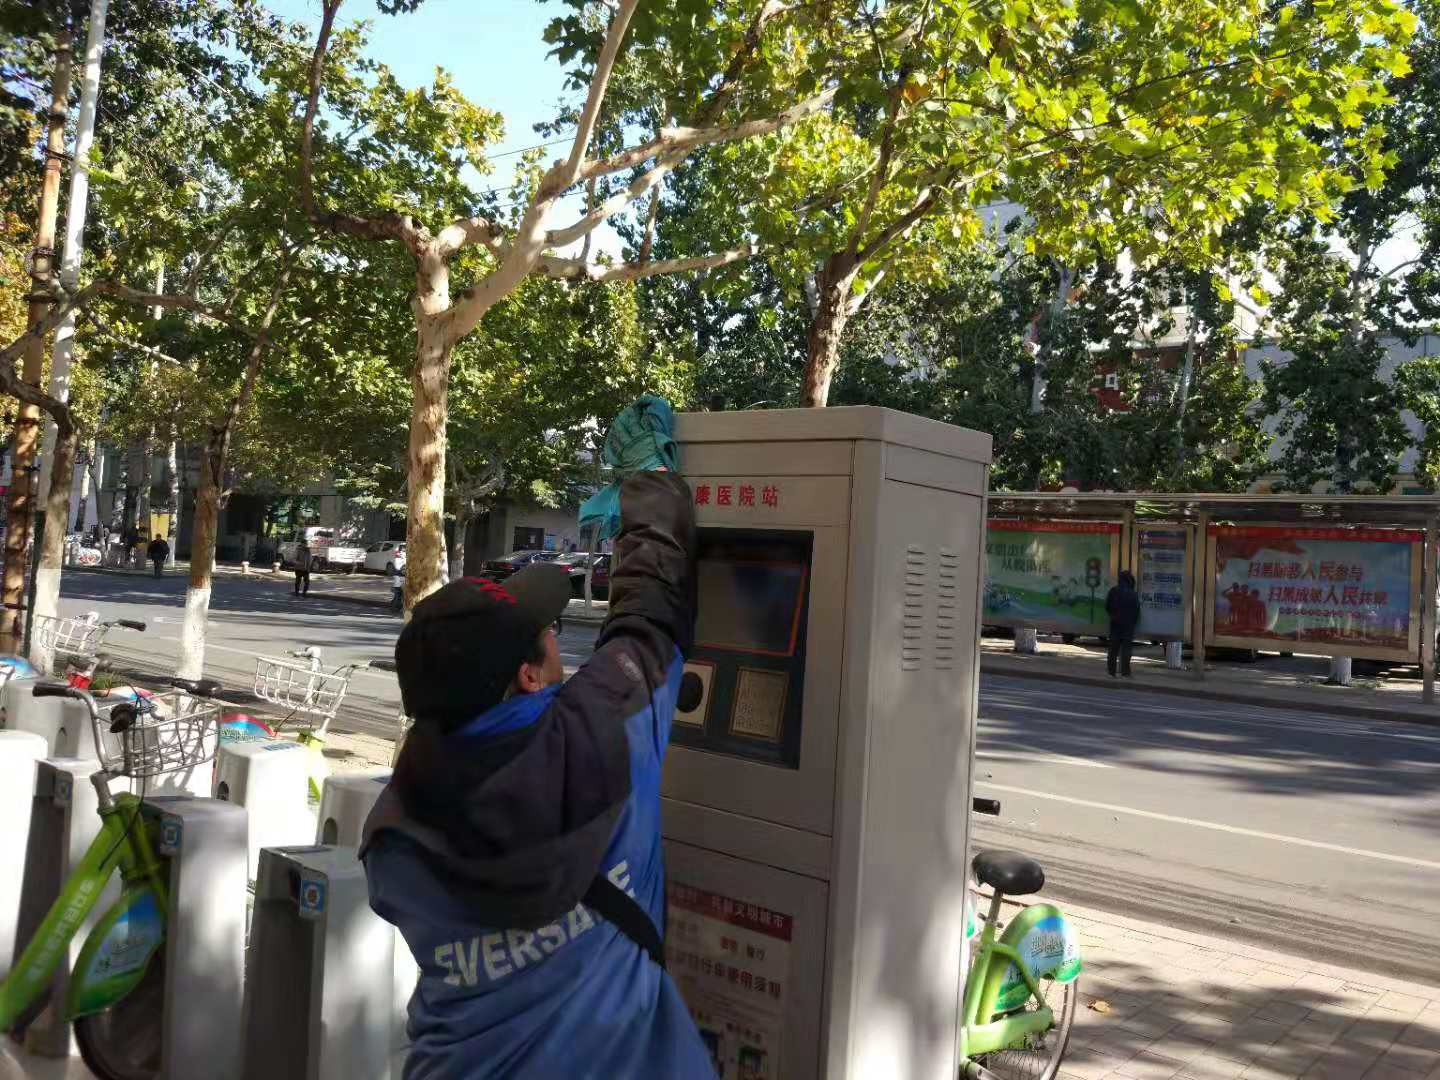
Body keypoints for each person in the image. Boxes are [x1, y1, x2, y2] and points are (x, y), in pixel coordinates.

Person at [361, 469, 716, 1079]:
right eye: (546, 631)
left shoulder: (392, 831)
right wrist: (655, 487)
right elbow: (649, 621)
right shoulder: (601, 738)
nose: (555, 635)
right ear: (529, 674)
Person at [1104, 569, 1141, 678]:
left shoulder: (1113, 591)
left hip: (1115, 623)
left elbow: (1107, 606)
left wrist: (1113, 615)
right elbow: (1136, 610)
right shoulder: (1133, 594)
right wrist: (1133, 621)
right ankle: (1125, 672)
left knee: (1113, 649)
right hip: (1128, 625)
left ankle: (1111, 671)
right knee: (1126, 649)